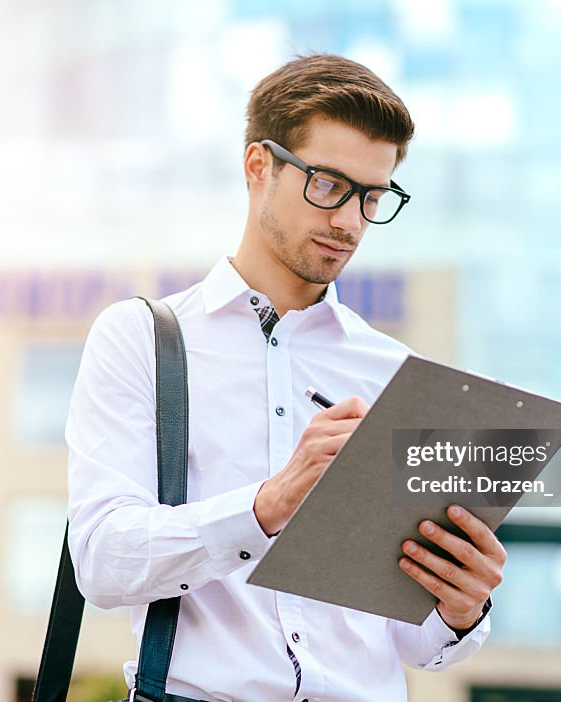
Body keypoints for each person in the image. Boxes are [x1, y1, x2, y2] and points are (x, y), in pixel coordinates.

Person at [66, 53, 507, 702]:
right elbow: (103, 559)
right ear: (258, 167)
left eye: (373, 197)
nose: (350, 222)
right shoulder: (146, 340)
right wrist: (265, 506)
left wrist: (460, 606)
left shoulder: (392, 374)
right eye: (329, 185)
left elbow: (414, 644)